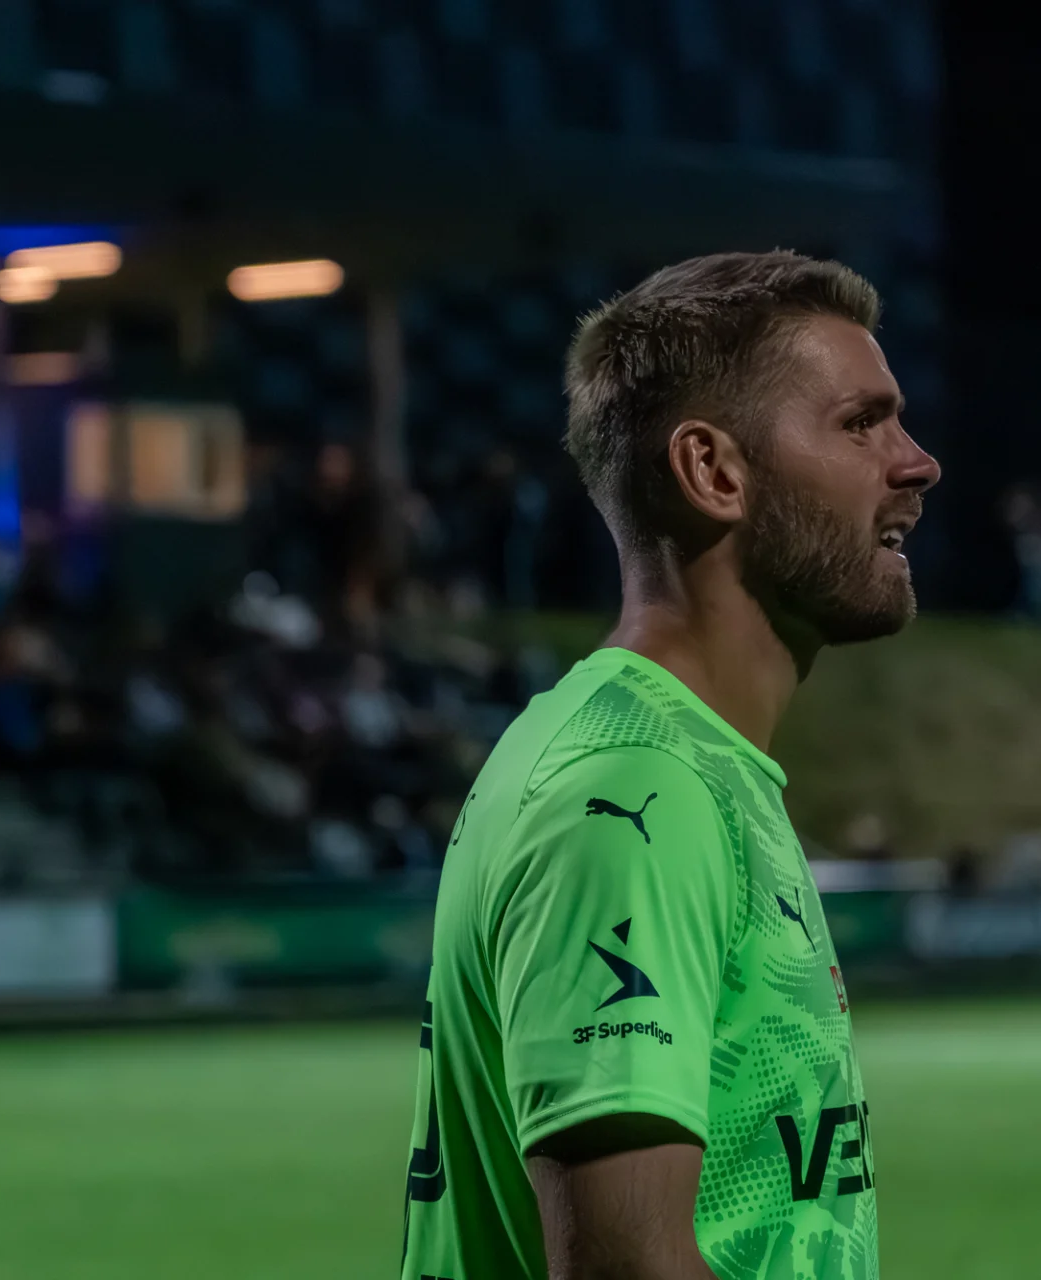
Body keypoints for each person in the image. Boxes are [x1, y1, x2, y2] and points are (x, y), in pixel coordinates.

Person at [401, 252, 940, 1280]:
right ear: (714, 472)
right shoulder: (634, 792)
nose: (916, 462)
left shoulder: (681, 759)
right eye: (860, 423)